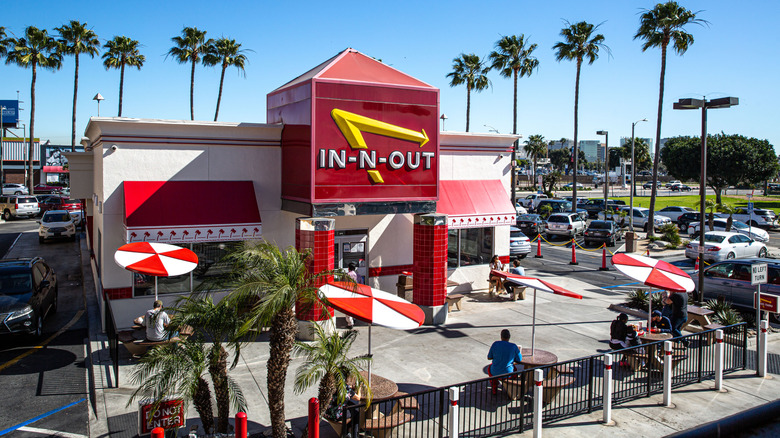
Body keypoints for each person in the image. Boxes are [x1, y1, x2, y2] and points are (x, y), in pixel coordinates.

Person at [487, 329, 523, 395]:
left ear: (501, 336)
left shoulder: (495, 344)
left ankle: (494, 387)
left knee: (490, 368)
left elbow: (489, 357)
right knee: (515, 369)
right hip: (508, 373)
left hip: (495, 372)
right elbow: (519, 359)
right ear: (509, 337)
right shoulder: (513, 346)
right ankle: (512, 386)